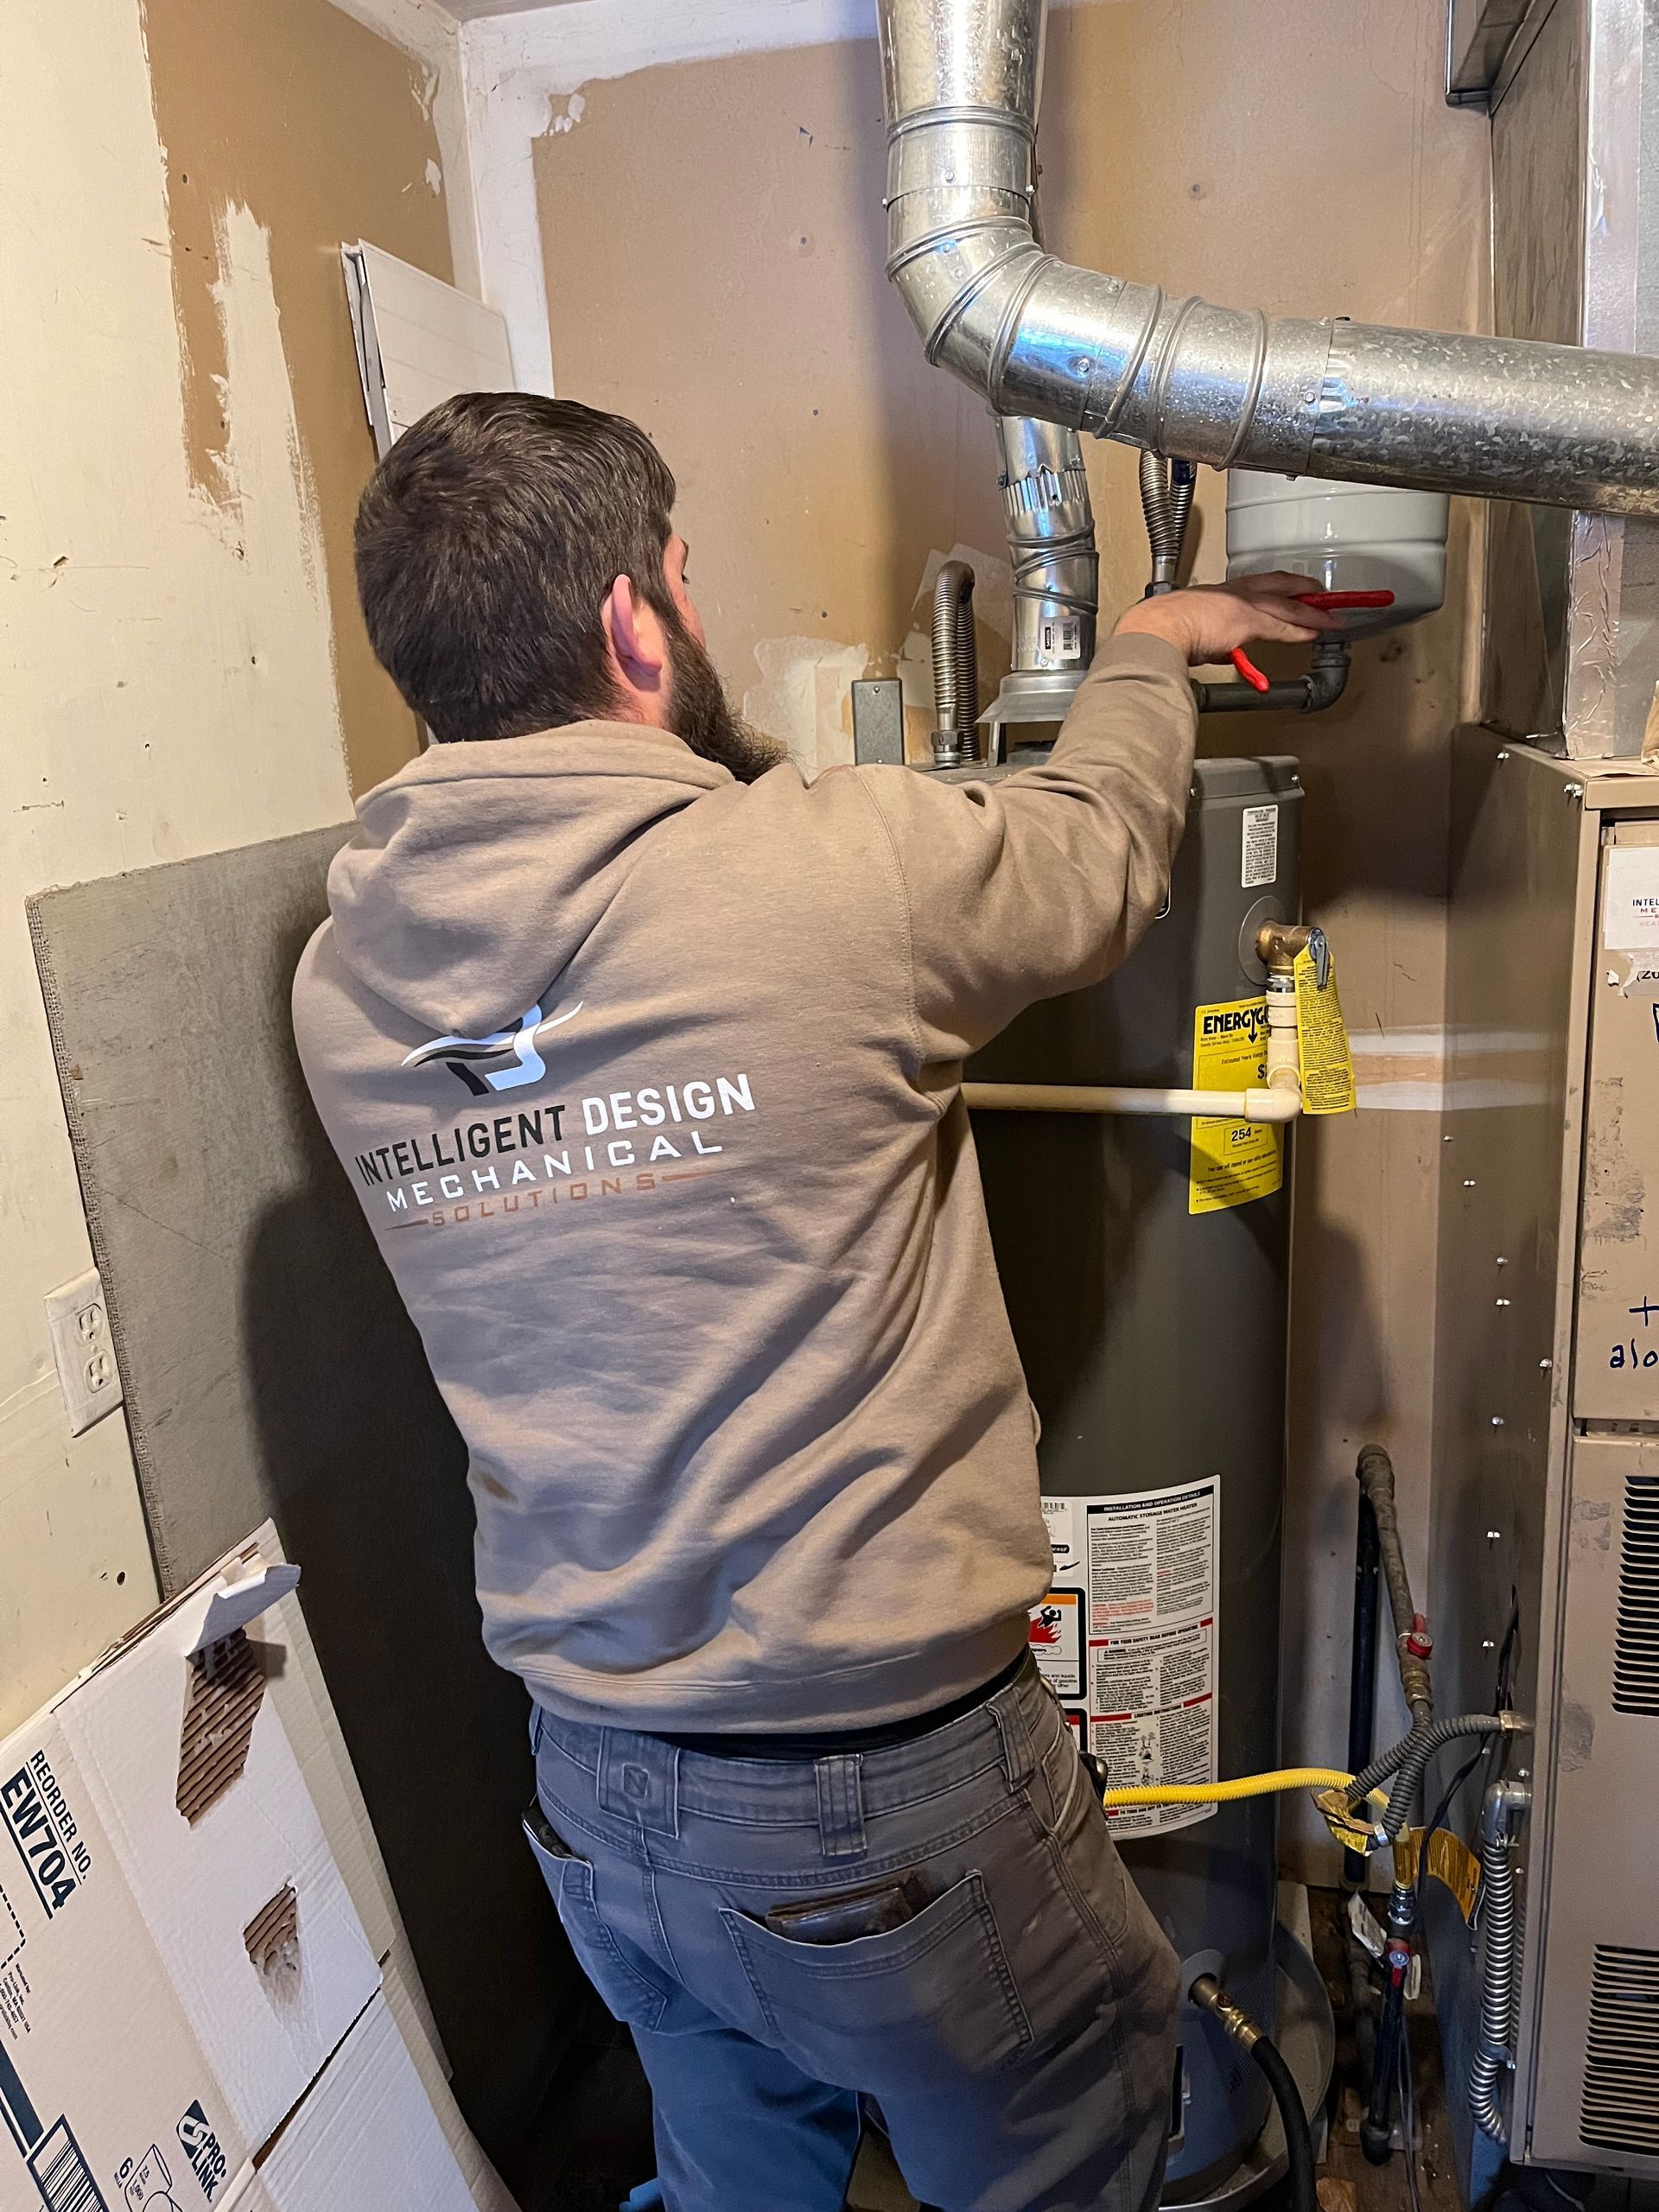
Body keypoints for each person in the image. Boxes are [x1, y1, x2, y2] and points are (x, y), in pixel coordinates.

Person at [291, 391, 1337, 2212]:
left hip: (595, 1779)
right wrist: (1152, 649)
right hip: (893, 1784)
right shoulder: (837, 867)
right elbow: (1095, 850)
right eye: (681, 581)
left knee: (736, 2185)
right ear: (633, 618)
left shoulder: (339, 982)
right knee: (1067, 2166)